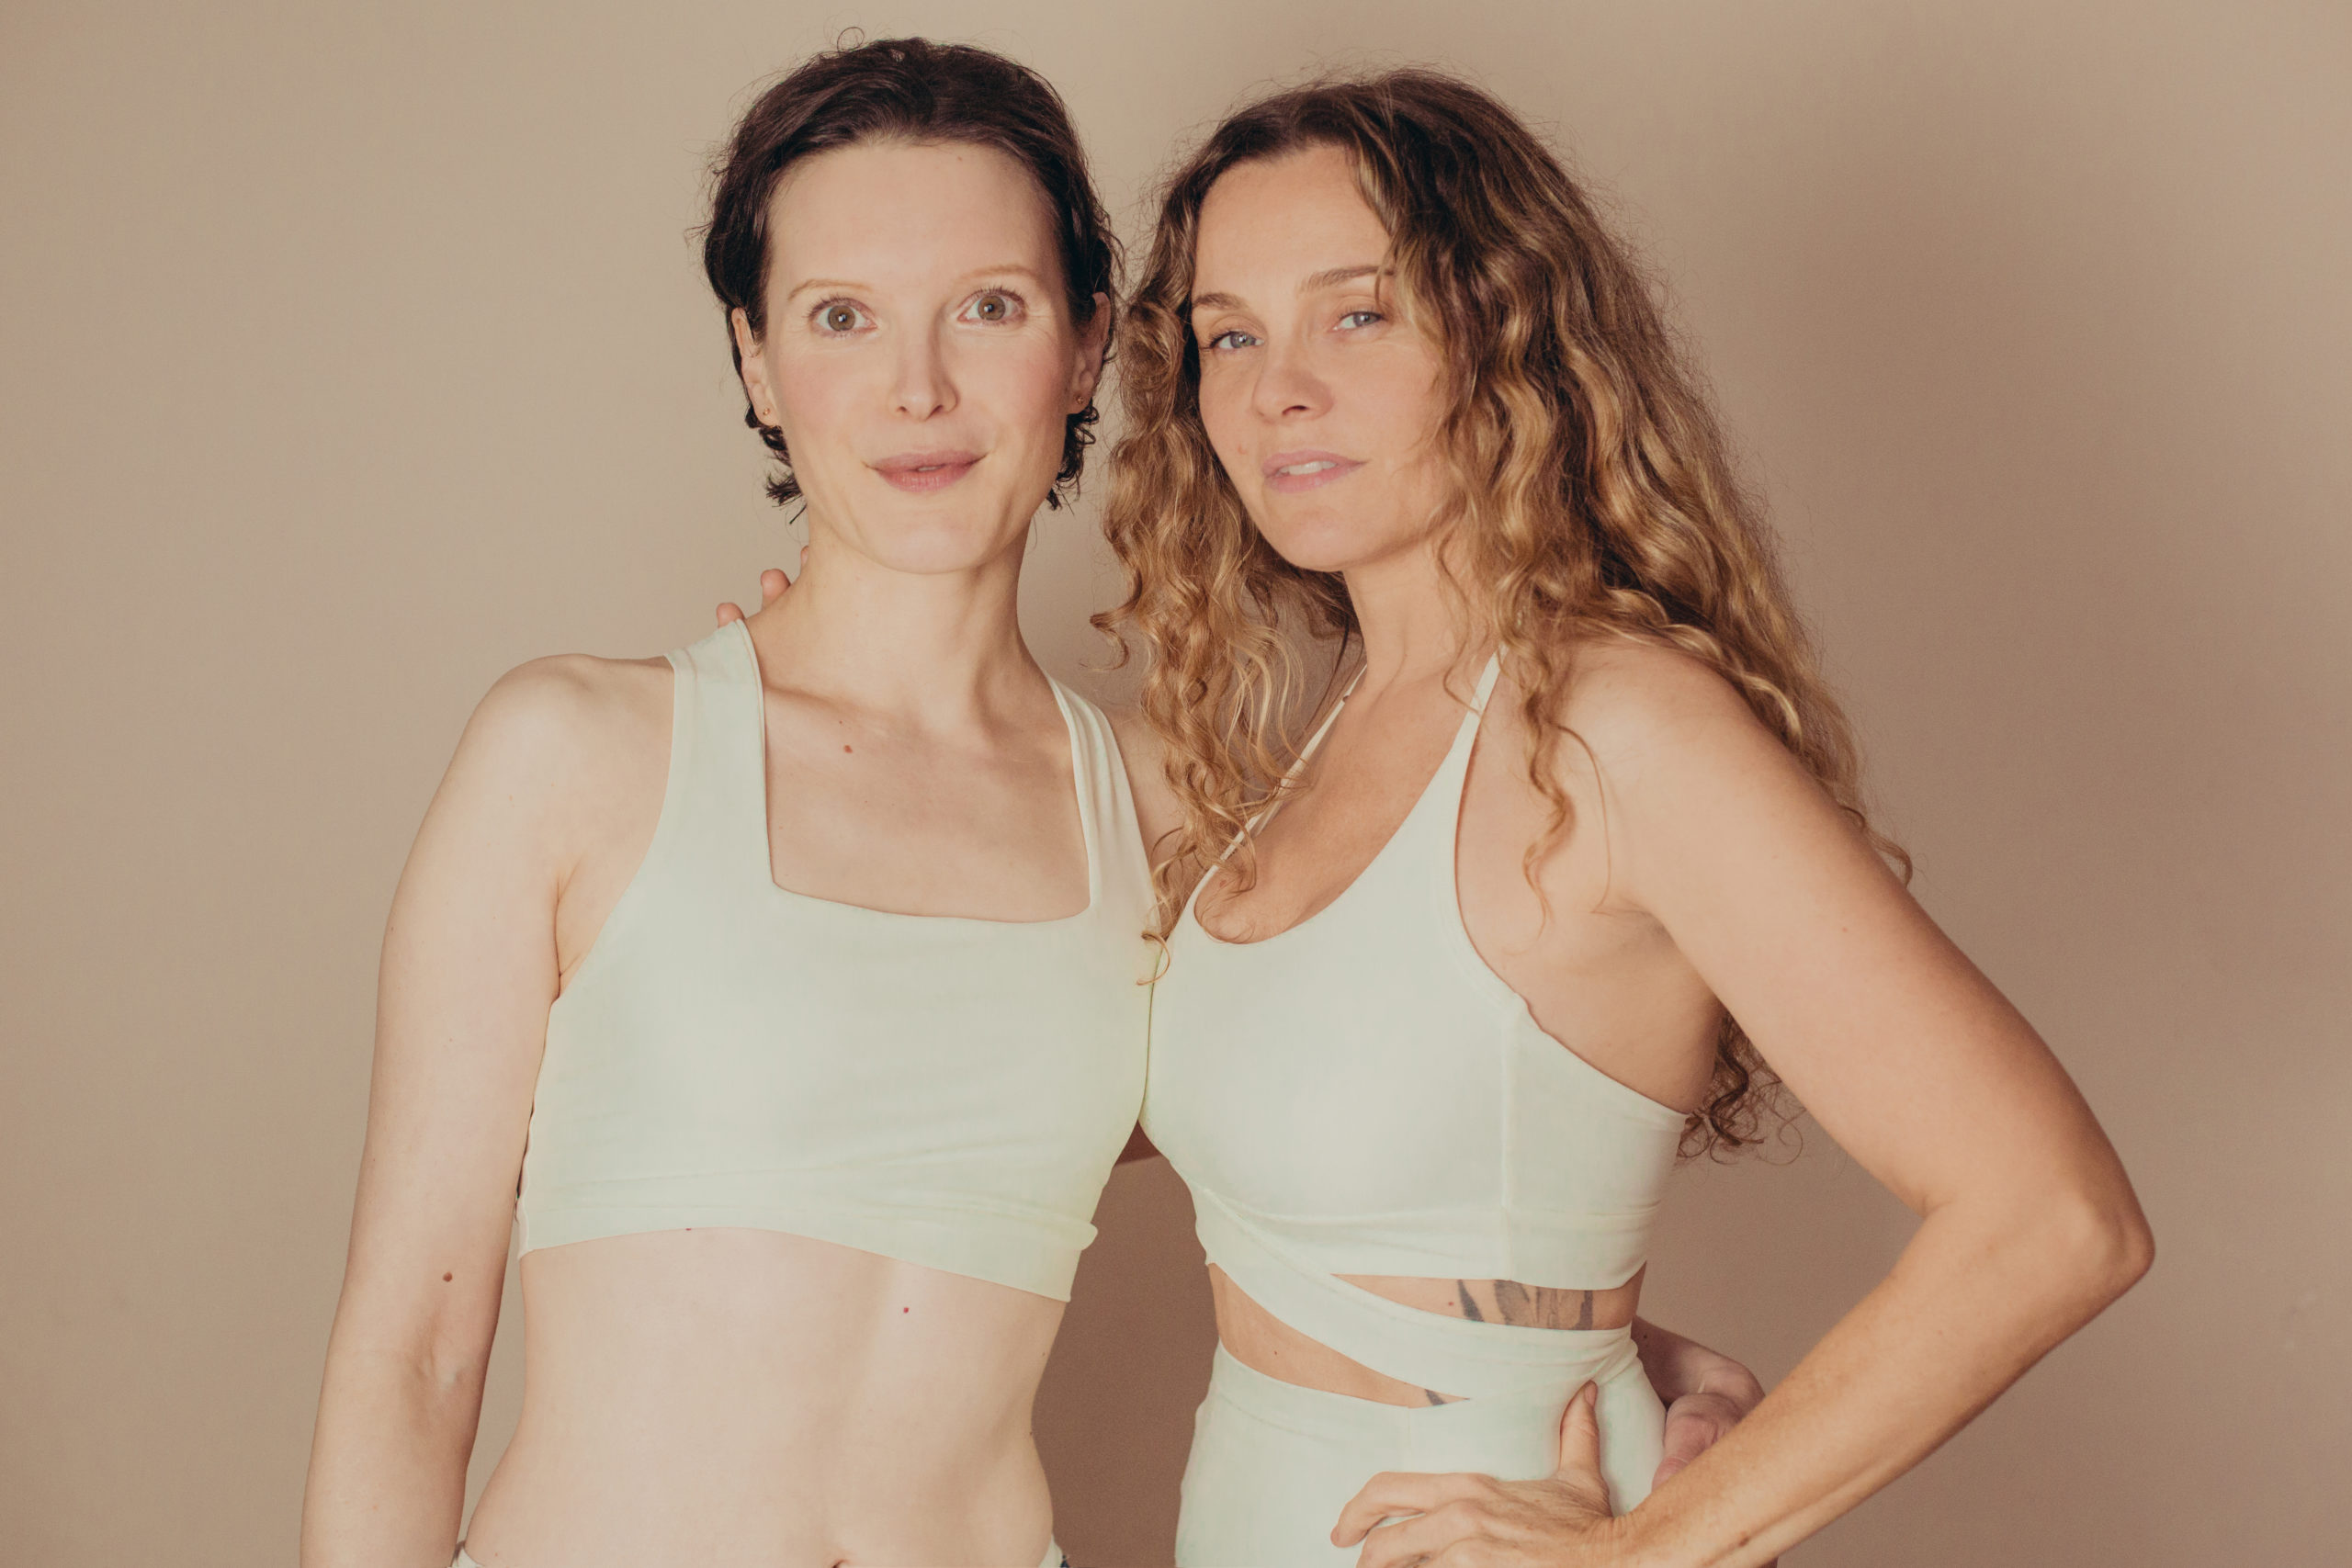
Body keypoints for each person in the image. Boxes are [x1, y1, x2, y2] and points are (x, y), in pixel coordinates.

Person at [1088, 71, 2154, 1566]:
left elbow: (2055, 1215)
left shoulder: (1618, 728)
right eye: (1231, 336)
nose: (1280, 391)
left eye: (1359, 314)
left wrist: (1642, 1551)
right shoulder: (1331, 731)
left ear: (1504, 334)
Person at [300, 39, 1145, 1568]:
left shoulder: (1163, 812)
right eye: (841, 316)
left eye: (990, 307)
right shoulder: (575, 756)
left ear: (1088, 345)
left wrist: (1604, 1418)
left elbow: (1368, 1157)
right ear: (756, 360)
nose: (918, 388)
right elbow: (411, 1354)